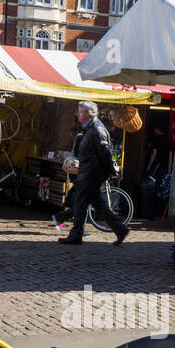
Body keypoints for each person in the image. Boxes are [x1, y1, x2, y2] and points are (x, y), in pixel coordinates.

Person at [59, 101, 127, 246]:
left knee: (81, 202)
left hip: (92, 174)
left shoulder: (96, 129)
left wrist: (111, 171)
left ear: (88, 113)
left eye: (80, 111)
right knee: (96, 204)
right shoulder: (90, 128)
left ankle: (76, 234)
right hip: (89, 173)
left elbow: (105, 153)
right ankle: (120, 229)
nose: (77, 114)